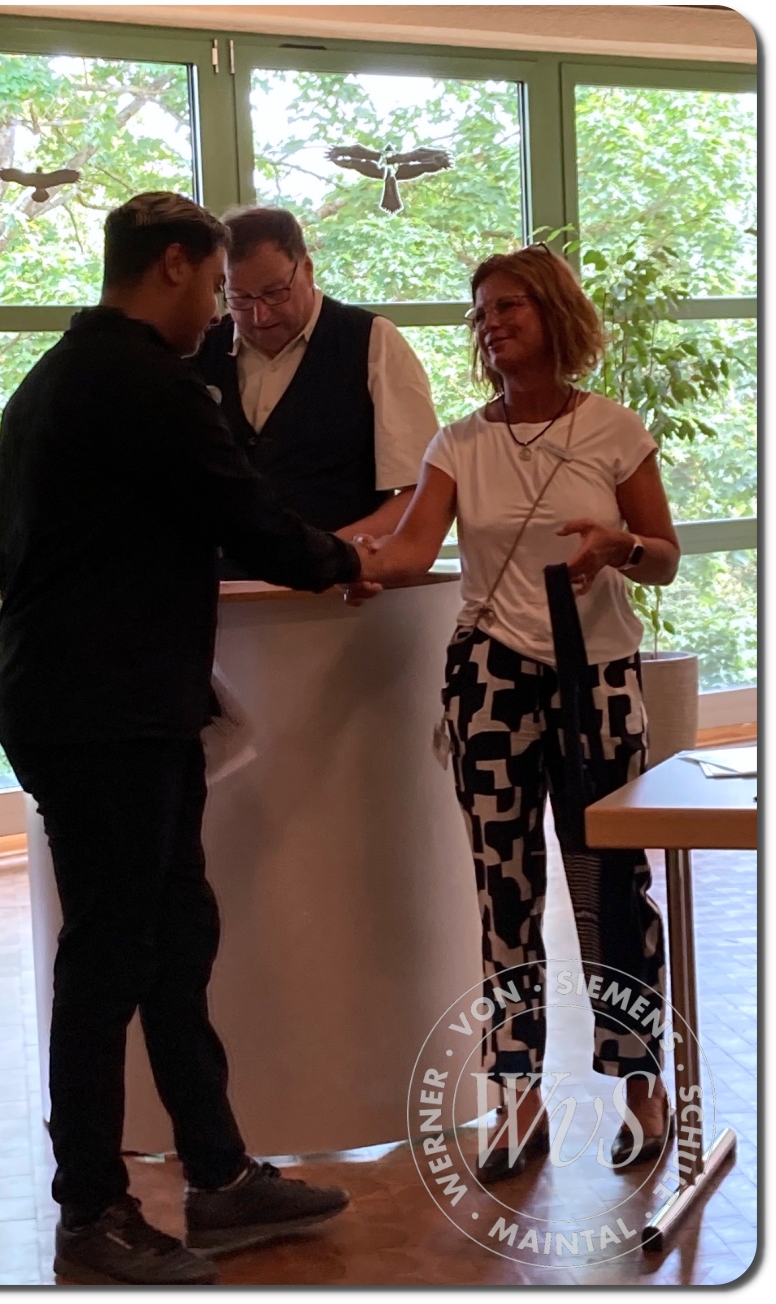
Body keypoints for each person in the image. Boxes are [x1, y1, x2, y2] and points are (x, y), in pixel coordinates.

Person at [0, 191, 371, 1285]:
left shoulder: (51, 381)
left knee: (171, 938)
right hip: (105, 716)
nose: (217, 309)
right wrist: (349, 562)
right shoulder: (145, 383)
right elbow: (245, 513)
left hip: (96, 705)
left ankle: (219, 1175)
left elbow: (12, 556)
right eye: (211, 283)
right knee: (110, 959)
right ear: (169, 265)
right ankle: (91, 1212)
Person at [350, 243, 681, 1182]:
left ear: (553, 316)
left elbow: (663, 557)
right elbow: (410, 550)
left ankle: (639, 1083)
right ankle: (516, 1091)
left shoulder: (613, 428)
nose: (490, 325)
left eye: (509, 308)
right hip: (490, 680)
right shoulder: (457, 442)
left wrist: (617, 546)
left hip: (597, 680)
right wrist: (328, 563)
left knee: (610, 885)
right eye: (482, 312)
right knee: (504, 889)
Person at [193, 205, 438, 568]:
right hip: (223, 590)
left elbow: (420, 494)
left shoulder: (371, 341)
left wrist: (327, 556)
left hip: (339, 591)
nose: (260, 315)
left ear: (306, 268)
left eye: (275, 292)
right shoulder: (200, 348)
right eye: (240, 298)